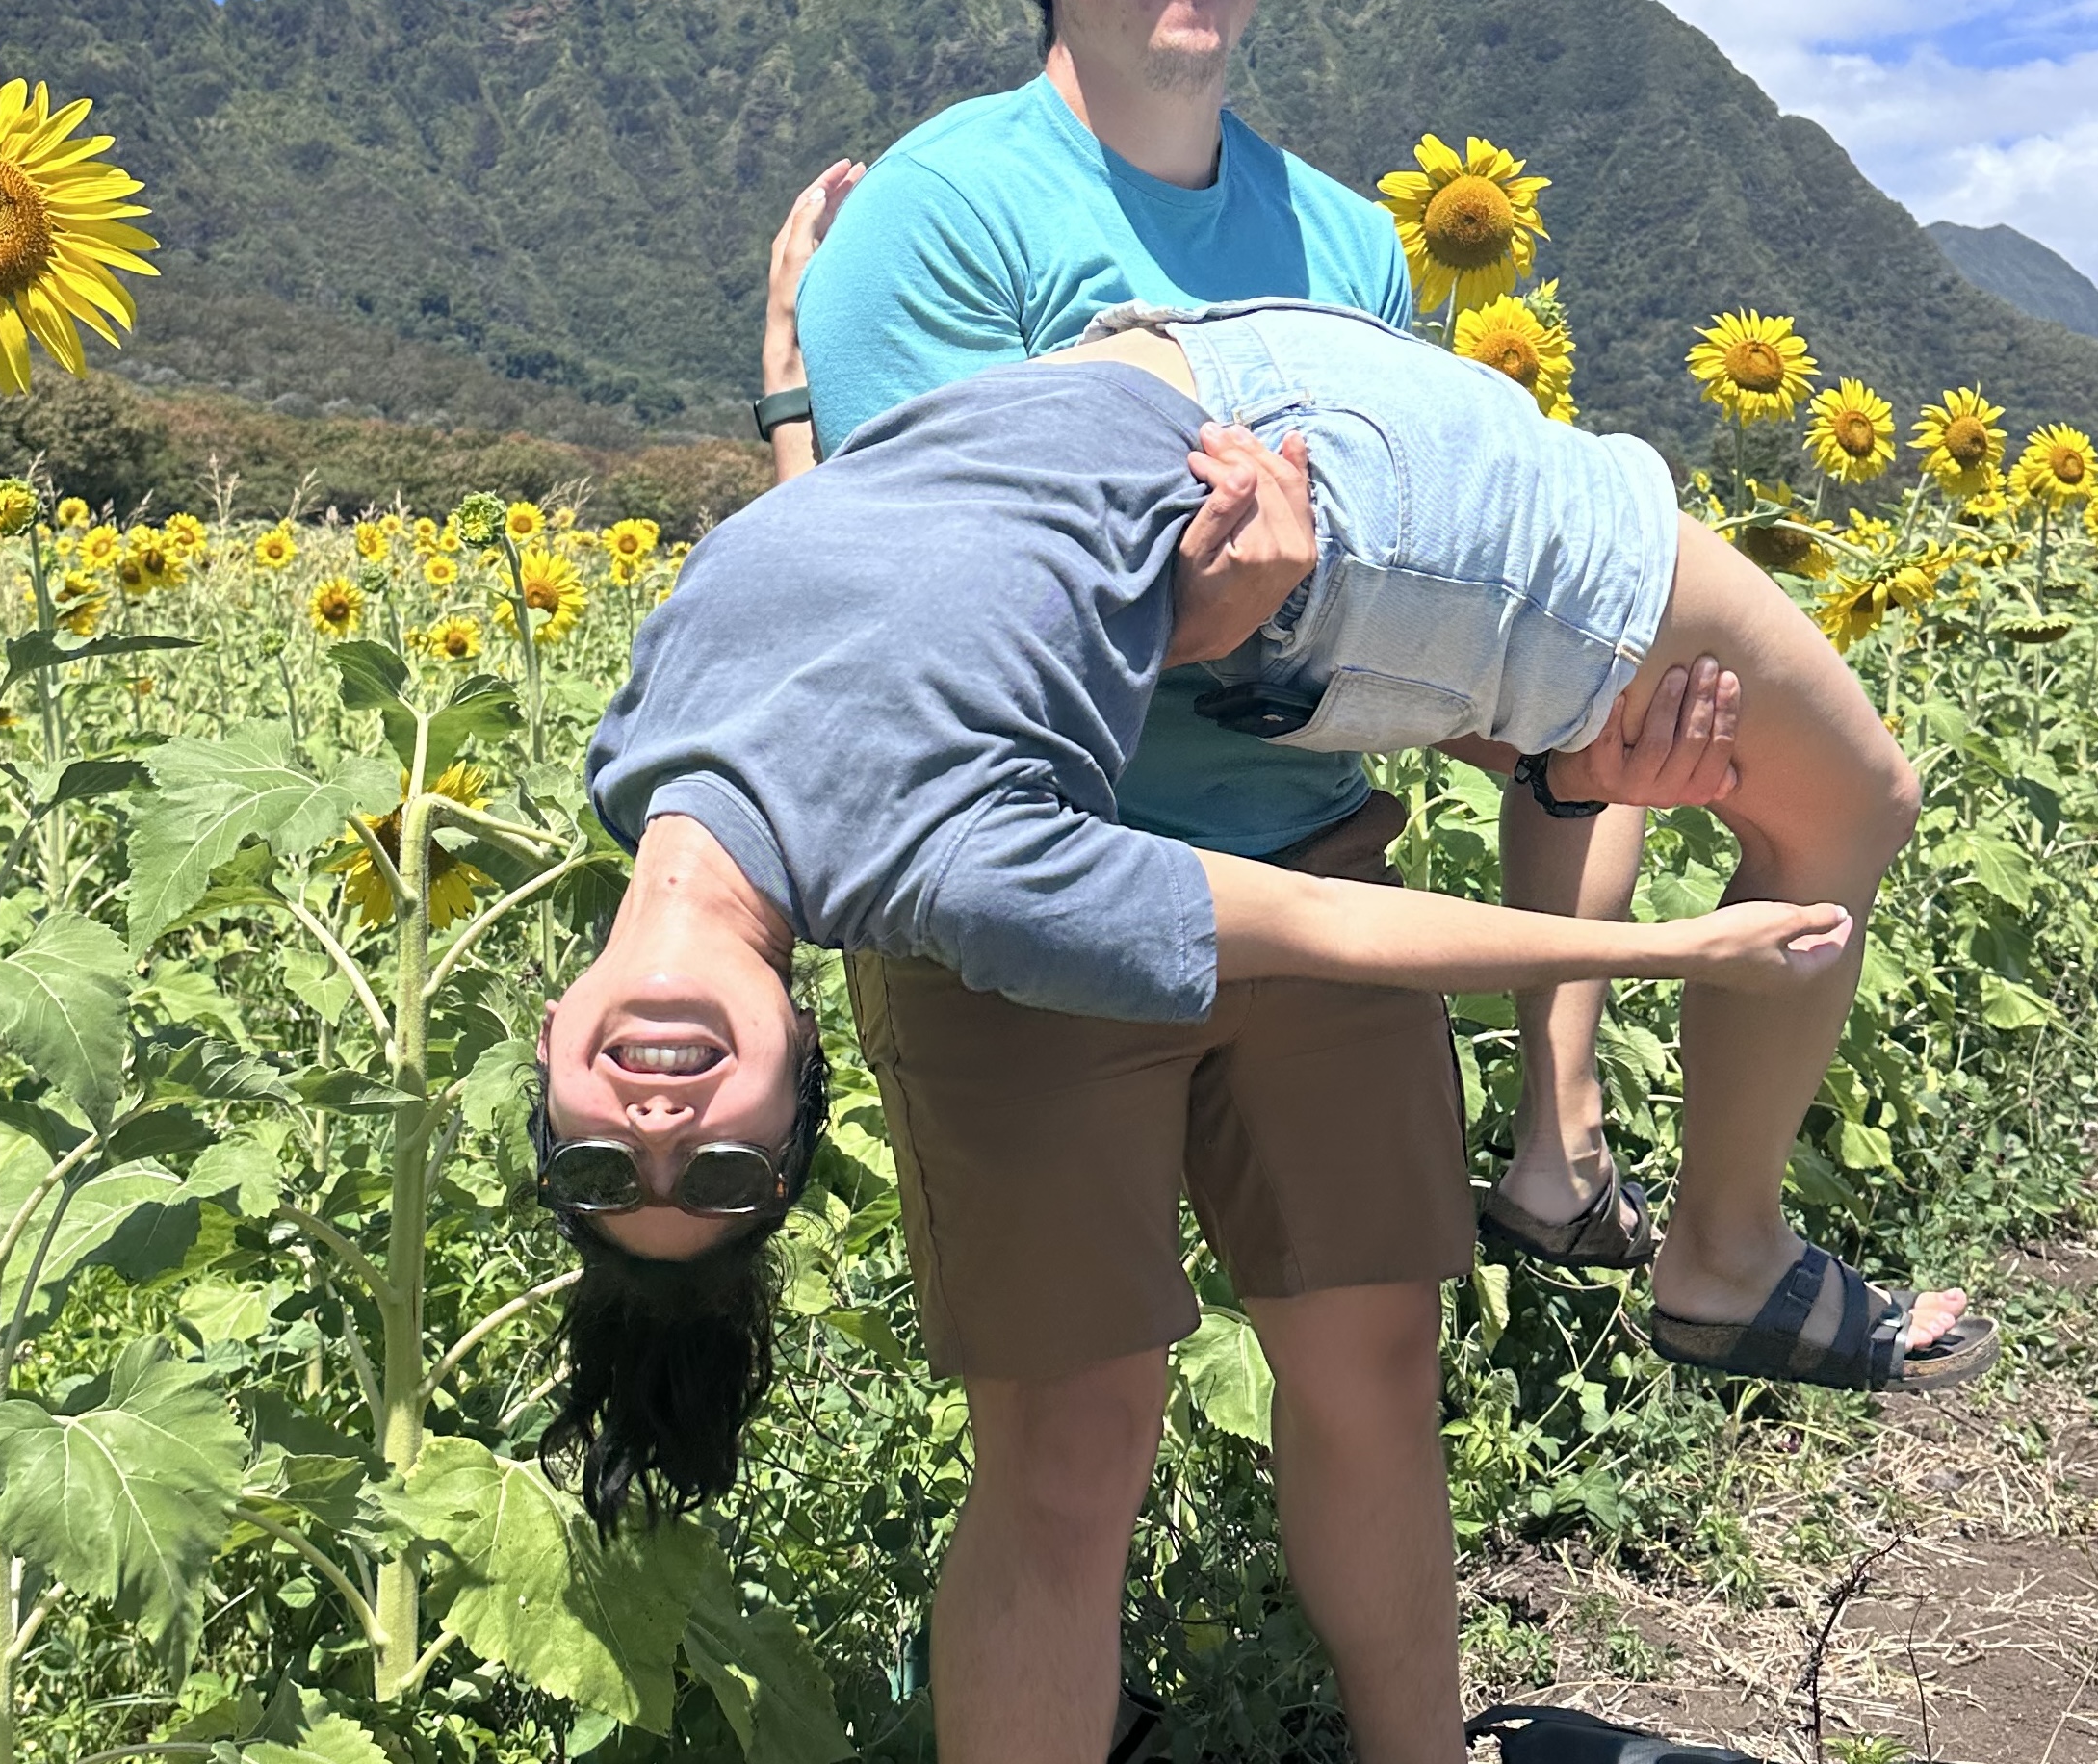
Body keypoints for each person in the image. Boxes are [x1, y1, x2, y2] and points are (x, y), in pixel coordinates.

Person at [737, 0, 1963, 1764]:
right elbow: (911, 619)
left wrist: (1573, 751)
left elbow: (1399, 639)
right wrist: (1199, 614)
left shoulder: (1348, 246)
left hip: (1319, 886)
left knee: (1377, 1365)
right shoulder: (937, 224)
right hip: (1035, 905)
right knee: (1069, 1442)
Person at [535, 305, 1990, 1577]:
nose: (661, 1126)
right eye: (719, 1173)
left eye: (603, 1166)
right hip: (1346, 493)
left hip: (1208, 375)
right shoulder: (962, 882)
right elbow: (1320, 926)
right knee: (1856, 800)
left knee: (1628, 755)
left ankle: (1636, 1162)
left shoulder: (635, 762)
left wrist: (793, 384)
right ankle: (1727, 1254)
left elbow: (912, 615)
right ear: (800, 1064)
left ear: (550, 1067)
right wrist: (1684, 949)